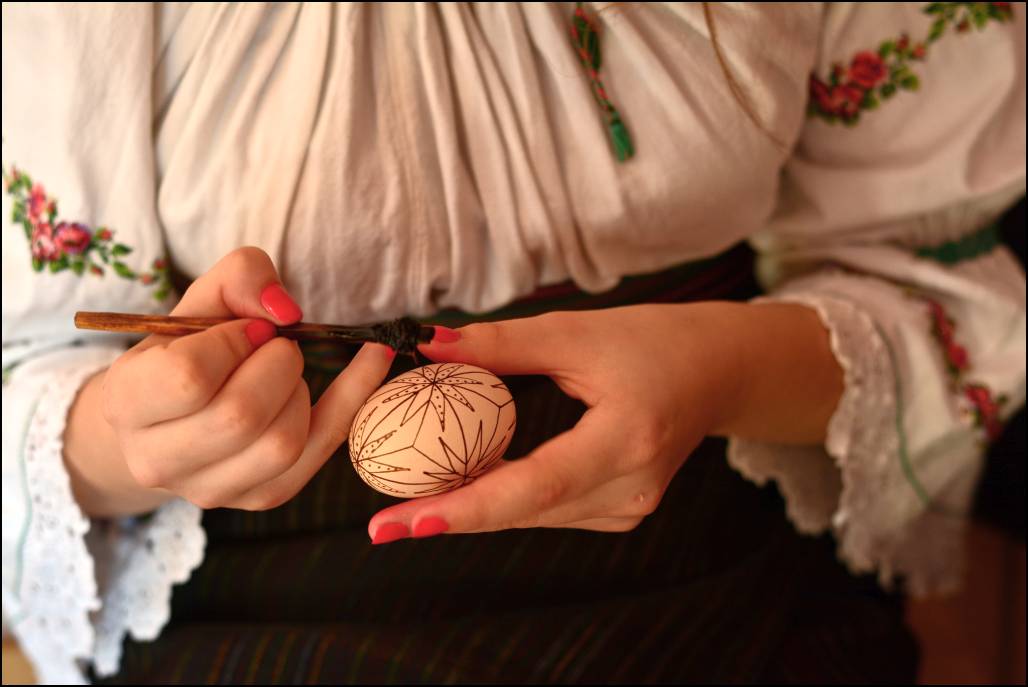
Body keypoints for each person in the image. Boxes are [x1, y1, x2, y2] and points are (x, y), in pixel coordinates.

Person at [2, 2, 1024, 683]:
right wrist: (114, 443)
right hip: (248, 581)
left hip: (706, 538)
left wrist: (722, 369)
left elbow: (929, 272)